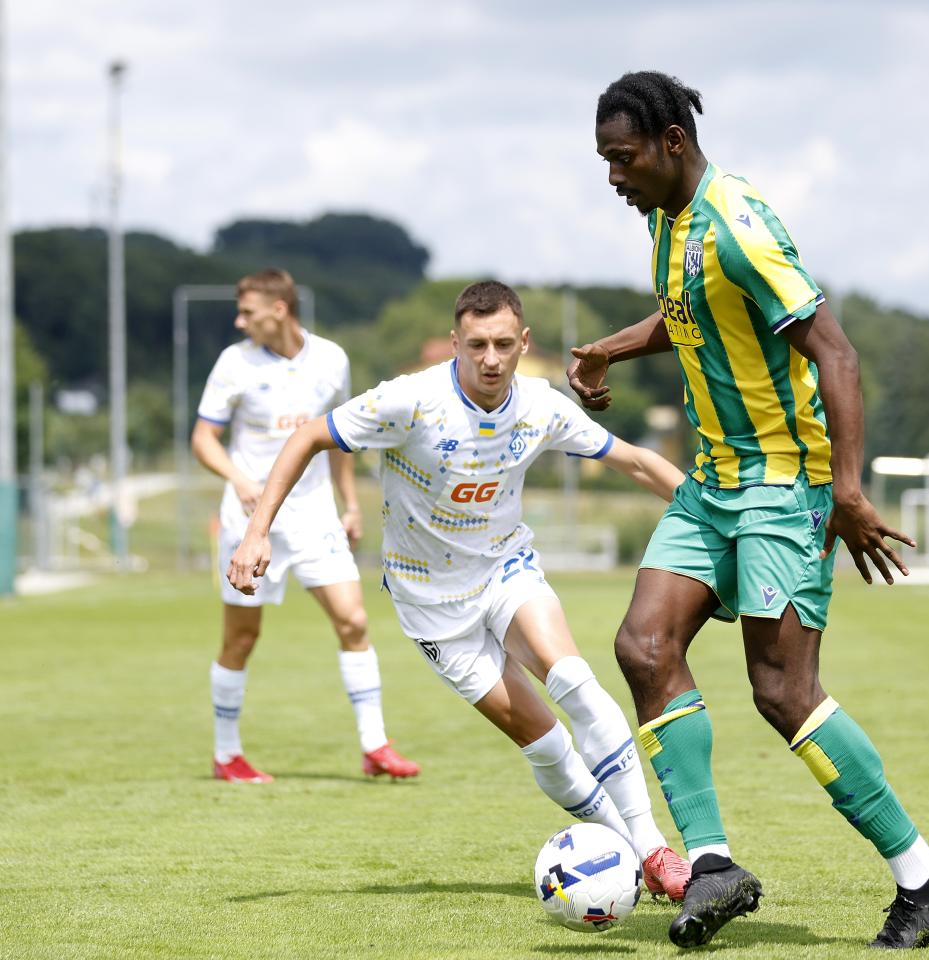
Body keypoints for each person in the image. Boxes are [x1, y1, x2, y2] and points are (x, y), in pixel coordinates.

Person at [566, 71, 929, 949]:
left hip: (785, 486)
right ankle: (712, 866)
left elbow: (837, 352)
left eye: (622, 157)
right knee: (643, 646)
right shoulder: (667, 221)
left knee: (784, 691)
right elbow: (690, 316)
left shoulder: (735, 222)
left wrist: (848, 491)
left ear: (673, 142)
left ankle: (926, 879)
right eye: (604, 160)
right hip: (713, 484)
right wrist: (607, 349)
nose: (612, 177)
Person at [226, 280, 692, 899]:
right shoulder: (409, 401)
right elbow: (307, 436)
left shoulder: (541, 405)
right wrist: (256, 532)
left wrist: (712, 516)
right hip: (431, 606)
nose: (491, 359)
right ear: (455, 343)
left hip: (505, 571)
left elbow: (633, 460)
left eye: (503, 343)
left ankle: (655, 850)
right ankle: (627, 854)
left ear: (524, 342)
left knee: (574, 681)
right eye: (477, 345)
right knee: (548, 746)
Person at [192, 268, 420, 783]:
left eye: (247, 311)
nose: (238, 320)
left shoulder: (332, 359)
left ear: (280, 310)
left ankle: (375, 745)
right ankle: (226, 754)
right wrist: (237, 477)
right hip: (252, 521)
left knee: (354, 622)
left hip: (315, 515)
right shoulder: (234, 363)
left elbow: (336, 437)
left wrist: (350, 504)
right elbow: (203, 439)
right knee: (241, 638)